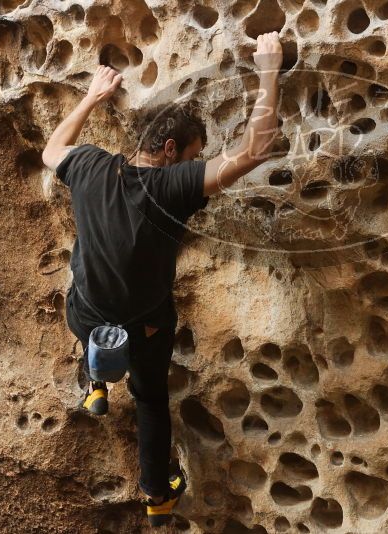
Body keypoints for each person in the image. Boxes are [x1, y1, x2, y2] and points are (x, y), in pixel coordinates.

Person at [41, 33, 283, 526]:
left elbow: (52, 150)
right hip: (143, 329)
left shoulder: (89, 166)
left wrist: (91, 96)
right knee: (151, 399)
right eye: (194, 155)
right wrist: (269, 70)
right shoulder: (172, 188)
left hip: (85, 315)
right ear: (170, 151)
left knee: (83, 283)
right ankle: (157, 496)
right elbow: (257, 148)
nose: (197, 163)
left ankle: (96, 381)